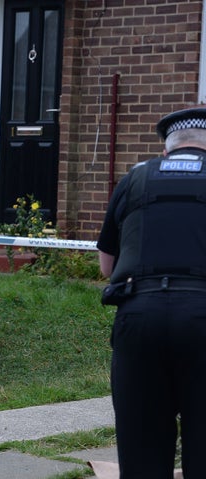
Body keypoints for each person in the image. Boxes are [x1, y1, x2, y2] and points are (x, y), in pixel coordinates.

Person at [97, 106, 206, 478]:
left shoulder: (136, 178)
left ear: (167, 151)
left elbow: (107, 266)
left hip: (139, 318)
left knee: (142, 449)